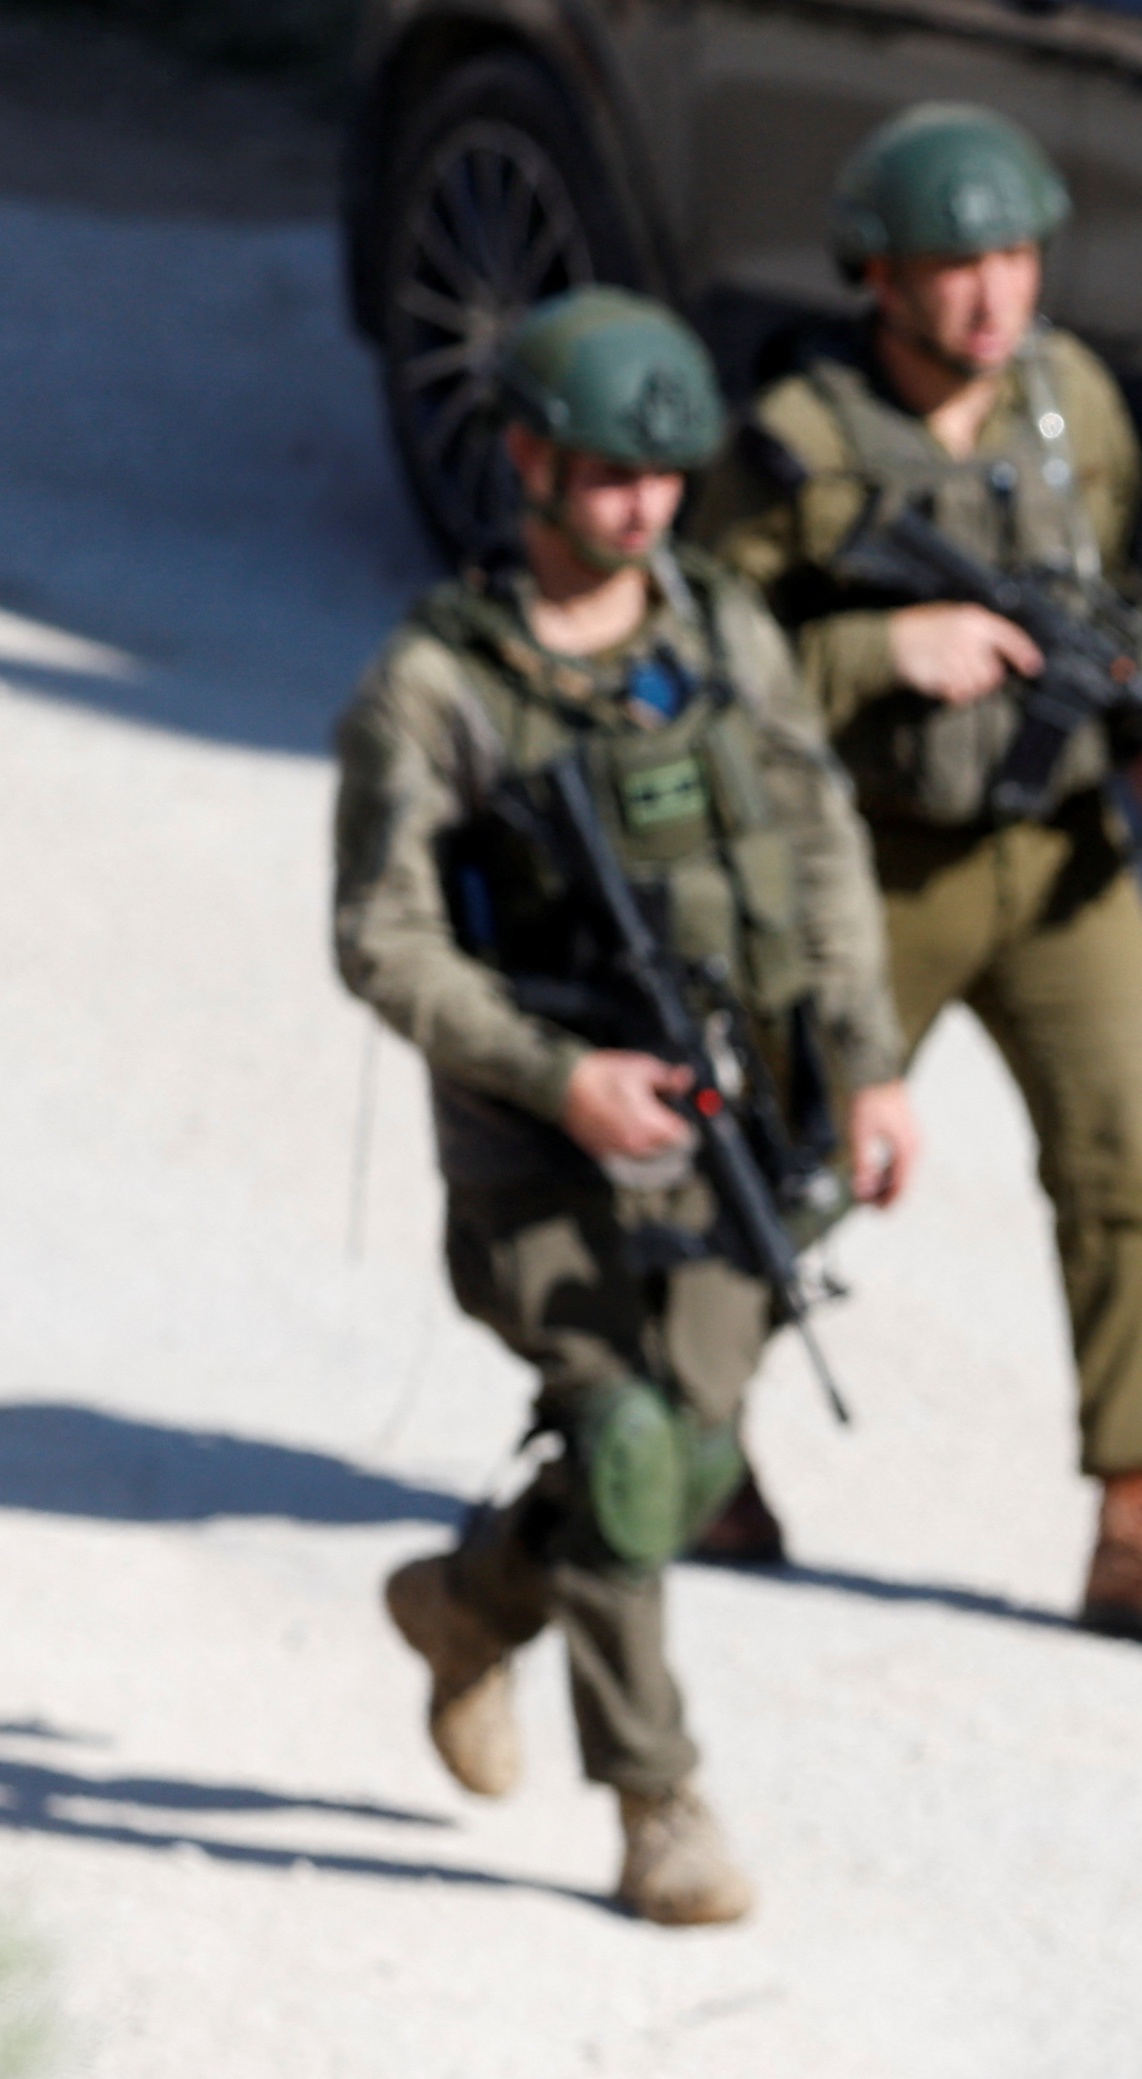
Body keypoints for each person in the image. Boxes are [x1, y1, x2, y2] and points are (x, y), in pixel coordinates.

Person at [332, 288, 917, 1927]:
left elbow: (819, 847)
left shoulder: (719, 631)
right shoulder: (436, 687)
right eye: (607, 480)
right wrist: (556, 1076)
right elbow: (379, 939)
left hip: (735, 1126)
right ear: (525, 459)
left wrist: (866, 1061)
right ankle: (661, 1806)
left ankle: (469, 1605)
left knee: (690, 1444)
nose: (643, 511)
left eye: (664, 482)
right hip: (540, 1152)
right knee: (630, 1440)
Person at [685, 101, 1142, 1652]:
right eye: (954, 264)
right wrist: (885, 647)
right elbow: (690, 669)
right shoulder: (796, 450)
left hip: (1064, 855)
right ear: (877, 276)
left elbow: (1132, 591)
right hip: (871, 858)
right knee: (793, 1157)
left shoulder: (1069, 403)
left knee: (1131, 1170)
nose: (992, 296)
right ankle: (683, 1434)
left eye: (1014, 256)